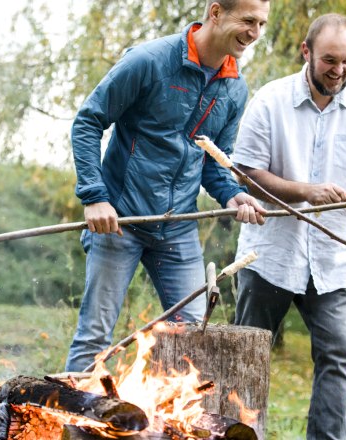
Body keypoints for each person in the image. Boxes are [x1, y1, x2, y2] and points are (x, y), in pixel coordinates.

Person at [64, 0, 270, 373]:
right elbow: (87, 122)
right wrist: (95, 197)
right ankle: (71, 428)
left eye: (261, 24)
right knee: (94, 339)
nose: (255, 33)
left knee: (193, 336)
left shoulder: (235, 88)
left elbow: (212, 160)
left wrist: (232, 193)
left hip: (177, 228)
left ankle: (172, 426)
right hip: (120, 221)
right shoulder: (150, 61)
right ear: (216, 12)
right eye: (248, 20)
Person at [230, 13, 346, 439]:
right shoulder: (269, 101)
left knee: (338, 359)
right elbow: (245, 174)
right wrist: (305, 192)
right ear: (306, 52)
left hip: (336, 262)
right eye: (330, 59)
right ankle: (234, 433)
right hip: (267, 256)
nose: (339, 70)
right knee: (245, 358)